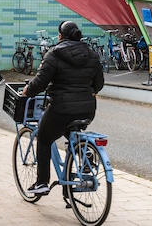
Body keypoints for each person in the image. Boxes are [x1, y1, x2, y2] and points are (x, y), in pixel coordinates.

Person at [21, 20, 104, 196]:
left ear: (60, 36)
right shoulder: (91, 54)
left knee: (44, 138)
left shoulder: (54, 54)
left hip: (61, 108)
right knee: (71, 132)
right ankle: (86, 156)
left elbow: (41, 81)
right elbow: (99, 84)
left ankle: (42, 182)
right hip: (87, 109)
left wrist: (28, 91)